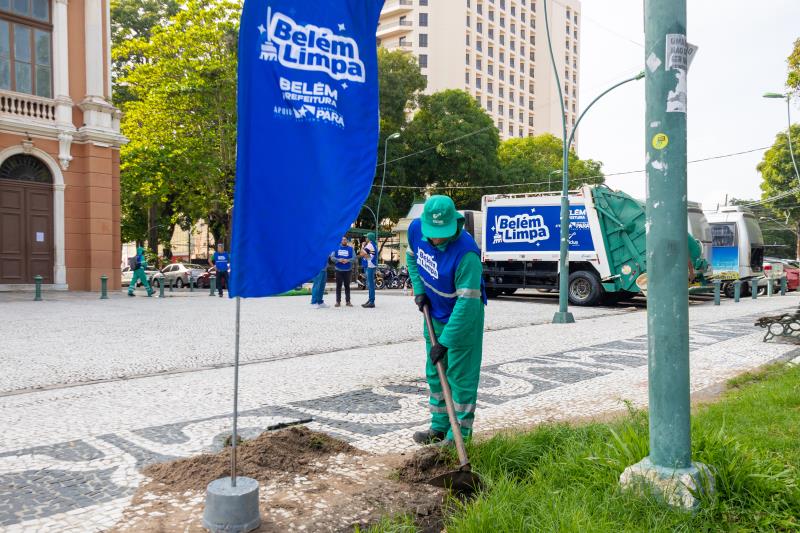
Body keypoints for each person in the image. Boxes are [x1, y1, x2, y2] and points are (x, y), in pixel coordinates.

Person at [406, 195, 487, 446]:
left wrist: (446, 341)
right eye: (433, 233)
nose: (435, 239)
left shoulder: (467, 254)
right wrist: (419, 289)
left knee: (460, 378)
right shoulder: (416, 230)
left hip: (463, 318)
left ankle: (459, 436)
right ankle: (439, 426)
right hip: (434, 313)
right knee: (435, 372)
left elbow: (466, 304)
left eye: (441, 233)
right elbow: (411, 258)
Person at [331, 236, 354, 307]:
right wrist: (338, 260)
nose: (344, 241)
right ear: (340, 241)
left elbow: (354, 258)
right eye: (342, 240)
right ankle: (338, 302)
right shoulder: (336, 248)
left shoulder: (351, 249)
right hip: (338, 270)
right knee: (338, 286)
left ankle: (348, 301)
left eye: (345, 239)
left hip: (348, 270)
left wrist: (348, 260)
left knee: (347, 286)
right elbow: (332, 257)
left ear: (347, 241)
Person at [359, 232, 377, 308]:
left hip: (370, 266)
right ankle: (370, 300)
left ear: (369, 238)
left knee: (370, 284)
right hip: (372, 265)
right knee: (370, 283)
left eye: (366, 237)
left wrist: (362, 246)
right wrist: (367, 256)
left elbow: (361, 254)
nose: (365, 239)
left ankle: (371, 301)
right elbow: (369, 256)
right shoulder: (374, 245)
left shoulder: (369, 245)